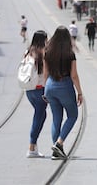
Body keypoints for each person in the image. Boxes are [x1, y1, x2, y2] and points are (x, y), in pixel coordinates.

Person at [43, 26, 84, 160]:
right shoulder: (69, 54)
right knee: (72, 115)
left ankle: (56, 151)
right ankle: (59, 143)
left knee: (56, 118)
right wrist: (79, 92)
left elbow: (45, 73)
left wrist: (45, 90)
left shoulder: (47, 52)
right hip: (64, 85)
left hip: (50, 85)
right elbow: (74, 75)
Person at [24, 30, 48, 158]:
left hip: (29, 90)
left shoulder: (27, 52)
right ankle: (31, 147)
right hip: (40, 90)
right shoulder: (42, 53)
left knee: (42, 115)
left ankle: (34, 146)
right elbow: (45, 73)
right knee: (39, 116)